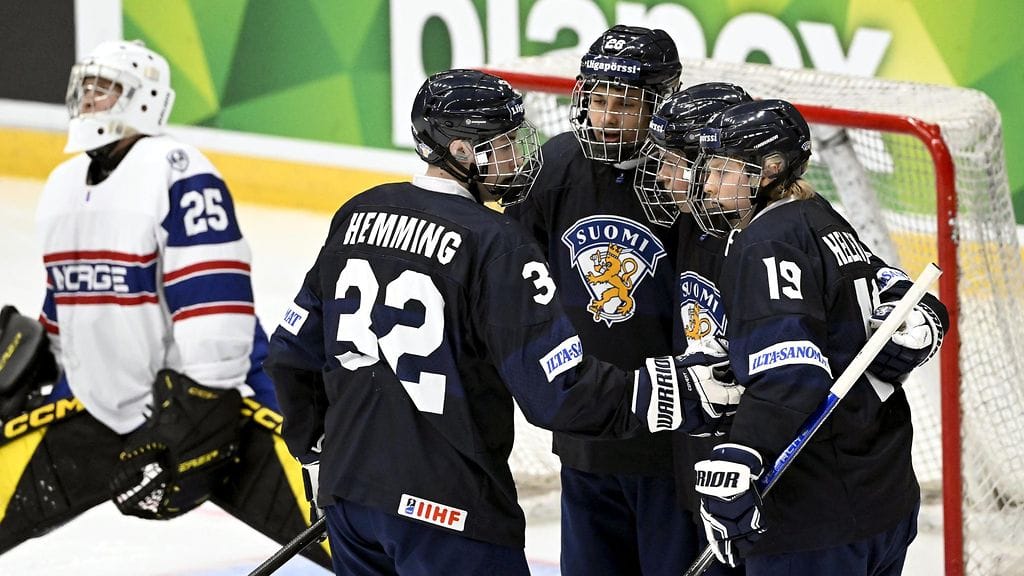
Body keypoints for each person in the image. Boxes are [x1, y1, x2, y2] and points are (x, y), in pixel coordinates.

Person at [263, 68, 728, 576]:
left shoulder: (359, 212)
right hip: (449, 510)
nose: (521, 156)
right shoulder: (497, 243)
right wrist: (678, 390)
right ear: (462, 151)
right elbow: (559, 392)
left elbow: (290, 352)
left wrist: (314, 452)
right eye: (505, 144)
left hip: (350, 497)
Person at [0, 39, 330, 569]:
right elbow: (69, 293)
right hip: (96, 404)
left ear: (145, 99)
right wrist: (42, 362)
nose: (89, 99)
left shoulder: (177, 171)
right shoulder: (62, 185)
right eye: (86, 87)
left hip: (217, 406)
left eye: (105, 89)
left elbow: (215, 300)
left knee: (345, 524)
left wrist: (203, 405)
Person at [682, 99, 948, 575]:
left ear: (769, 169)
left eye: (722, 171)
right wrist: (926, 316)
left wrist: (742, 455)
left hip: (815, 513)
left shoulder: (767, 241)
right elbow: (895, 288)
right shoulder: (819, 214)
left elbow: (791, 373)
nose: (708, 184)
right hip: (882, 497)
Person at [504, 25, 695, 576]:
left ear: (661, 105)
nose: (607, 117)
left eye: (625, 105)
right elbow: (513, 279)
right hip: (586, 431)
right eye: (598, 99)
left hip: (674, 442)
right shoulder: (555, 165)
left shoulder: (692, 183)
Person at [634, 81, 756, 576]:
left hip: (756, 472)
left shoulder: (770, 241)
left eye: (674, 163)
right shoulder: (692, 223)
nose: (662, 176)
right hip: (699, 462)